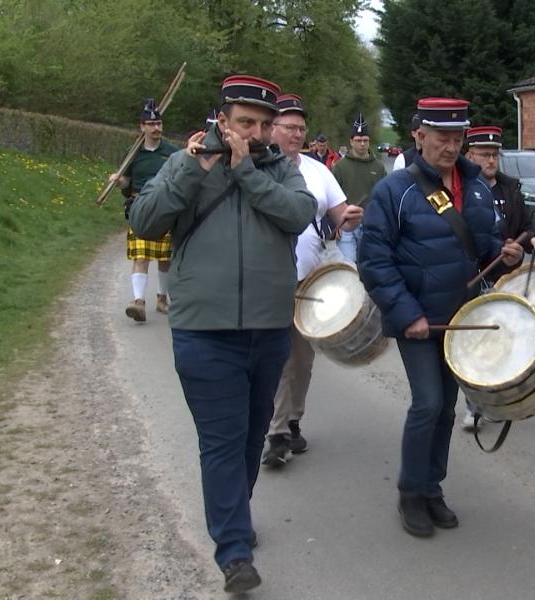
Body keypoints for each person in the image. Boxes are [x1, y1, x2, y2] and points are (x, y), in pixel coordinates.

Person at [129, 75, 317, 594]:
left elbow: (298, 216)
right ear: (222, 119)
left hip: (268, 327)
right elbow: (145, 220)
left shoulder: (281, 169)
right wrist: (192, 170)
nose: (253, 133)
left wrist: (249, 171)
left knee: (252, 435)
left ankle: (235, 517)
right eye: (243, 123)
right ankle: (233, 550)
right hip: (203, 331)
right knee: (221, 439)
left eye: (262, 125)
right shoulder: (186, 162)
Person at [359, 97, 524, 538]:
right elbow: (374, 261)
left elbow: (486, 248)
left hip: (462, 320)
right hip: (418, 321)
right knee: (428, 403)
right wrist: (407, 313)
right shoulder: (395, 191)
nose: (450, 147)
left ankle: (433, 488)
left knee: (447, 410)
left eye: (457, 139)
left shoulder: (475, 186)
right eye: (441, 138)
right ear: (418, 135)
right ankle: (410, 492)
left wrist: (508, 256)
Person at [262, 94, 364, 467]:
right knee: (273, 357)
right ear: (271, 128)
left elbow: (340, 215)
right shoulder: (257, 168)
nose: (297, 134)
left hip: (308, 283)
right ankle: (275, 431)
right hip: (265, 284)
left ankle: (290, 420)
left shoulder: (318, 170)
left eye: (301, 128)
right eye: (290, 127)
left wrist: (350, 217)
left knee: (301, 361)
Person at [460, 124, 535, 430]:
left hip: (510, 278)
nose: (491, 160)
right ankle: (473, 406)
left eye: (495, 154)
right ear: (470, 155)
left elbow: (529, 224)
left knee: (507, 344)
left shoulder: (510, 187)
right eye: (484, 154)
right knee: (477, 344)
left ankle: (502, 399)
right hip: (477, 278)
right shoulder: (464, 188)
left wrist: (532, 239)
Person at [108, 98, 179, 322]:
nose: (156, 128)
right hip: (140, 207)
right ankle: (138, 302)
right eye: (151, 124)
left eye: (159, 123)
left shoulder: (171, 152)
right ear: (142, 126)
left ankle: (162, 299)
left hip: (165, 206)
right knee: (141, 256)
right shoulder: (134, 153)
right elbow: (127, 184)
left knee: (165, 257)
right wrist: (120, 183)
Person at [332, 112, 386, 263]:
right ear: (351, 141)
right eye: (358, 140)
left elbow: (385, 198)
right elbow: (330, 198)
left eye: (365, 140)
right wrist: (334, 225)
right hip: (346, 226)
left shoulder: (379, 167)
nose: (362, 144)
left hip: (371, 226)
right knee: (349, 266)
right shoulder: (340, 167)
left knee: (369, 266)